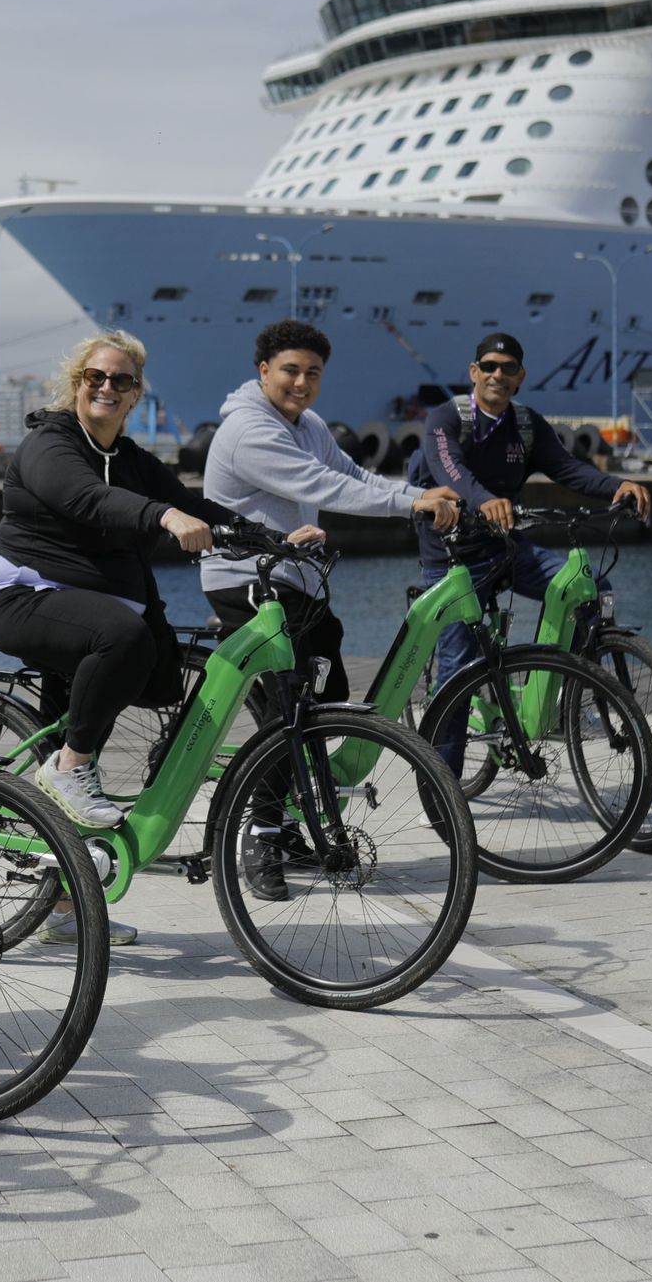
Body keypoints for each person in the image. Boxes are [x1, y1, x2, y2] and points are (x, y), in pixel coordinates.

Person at [0, 331, 316, 945]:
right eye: (96, 377)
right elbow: (87, 498)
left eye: (122, 380)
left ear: (136, 394)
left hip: (95, 615)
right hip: (27, 600)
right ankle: (69, 766)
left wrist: (270, 539)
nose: (107, 387)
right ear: (78, 382)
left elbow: (192, 503)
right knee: (121, 641)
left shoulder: (131, 459)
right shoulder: (50, 442)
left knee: (151, 673)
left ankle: (63, 907)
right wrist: (162, 516)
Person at [201, 319, 457, 899]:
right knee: (288, 711)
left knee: (328, 697)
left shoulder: (309, 425)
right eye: (290, 371)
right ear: (263, 371)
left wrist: (415, 493)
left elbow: (352, 474)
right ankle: (262, 833)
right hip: (246, 581)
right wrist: (409, 504)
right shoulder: (248, 430)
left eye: (312, 373)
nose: (301, 383)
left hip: (298, 580)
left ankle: (295, 815)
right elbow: (325, 487)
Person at [406, 332, 652, 688]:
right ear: (474, 372)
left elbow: (567, 467)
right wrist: (485, 500)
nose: (498, 375)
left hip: (505, 549)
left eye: (508, 368)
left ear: (520, 376)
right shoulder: (446, 419)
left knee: (590, 587)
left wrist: (618, 485)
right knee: (459, 669)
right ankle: (446, 727)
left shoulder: (526, 425)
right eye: (489, 366)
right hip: (452, 559)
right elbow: (450, 469)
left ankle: (569, 692)